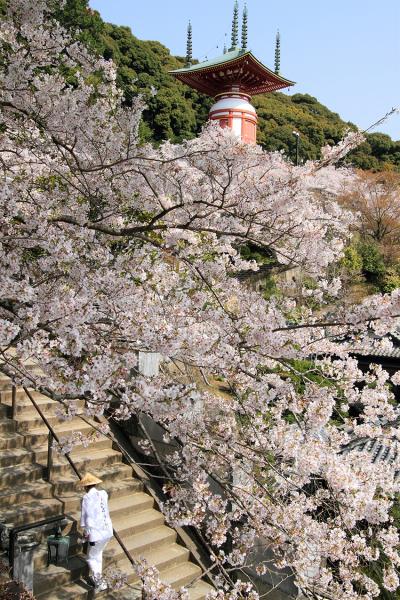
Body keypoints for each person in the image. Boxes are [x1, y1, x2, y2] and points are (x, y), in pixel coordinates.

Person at [78, 473, 113, 591]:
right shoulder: (103, 494)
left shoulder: (87, 498)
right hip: (107, 530)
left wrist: (87, 532)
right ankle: (99, 578)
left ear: (85, 487)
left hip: (96, 533)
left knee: (91, 557)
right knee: (98, 554)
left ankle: (99, 582)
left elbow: (87, 517)